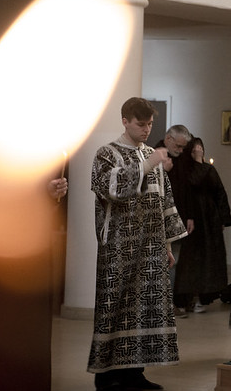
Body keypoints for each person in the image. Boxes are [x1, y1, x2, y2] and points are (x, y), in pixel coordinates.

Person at [88, 97, 188, 391]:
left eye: (150, 124)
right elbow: (108, 188)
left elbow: (164, 201)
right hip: (119, 248)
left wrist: (167, 245)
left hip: (151, 248)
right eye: (140, 124)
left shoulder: (152, 156)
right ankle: (107, 376)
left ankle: (135, 373)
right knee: (117, 308)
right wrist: (147, 164)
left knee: (145, 308)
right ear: (125, 121)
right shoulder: (106, 153)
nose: (146, 129)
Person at [173, 137, 231, 314]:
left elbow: (220, 192)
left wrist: (223, 218)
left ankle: (203, 298)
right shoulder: (185, 170)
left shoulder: (209, 169)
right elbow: (194, 182)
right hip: (193, 219)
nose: (199, 151)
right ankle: (186, 299)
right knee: (191, 261)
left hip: (210, 219)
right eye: (195, 150)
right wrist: (199, 162)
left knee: (210, 260)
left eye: (201, 149)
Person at [155, 124, 193, 317]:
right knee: (164, 263)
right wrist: (163, 171)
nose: (180, 150)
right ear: (168, 139)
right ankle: (164, 304)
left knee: (174, 262)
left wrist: (189, 216)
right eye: (178, 146)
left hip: (179, 217)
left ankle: (172, 301)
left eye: (183, 147)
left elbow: (186, 189)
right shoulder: (155, 155)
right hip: (159, 219)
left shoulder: (182, 158)